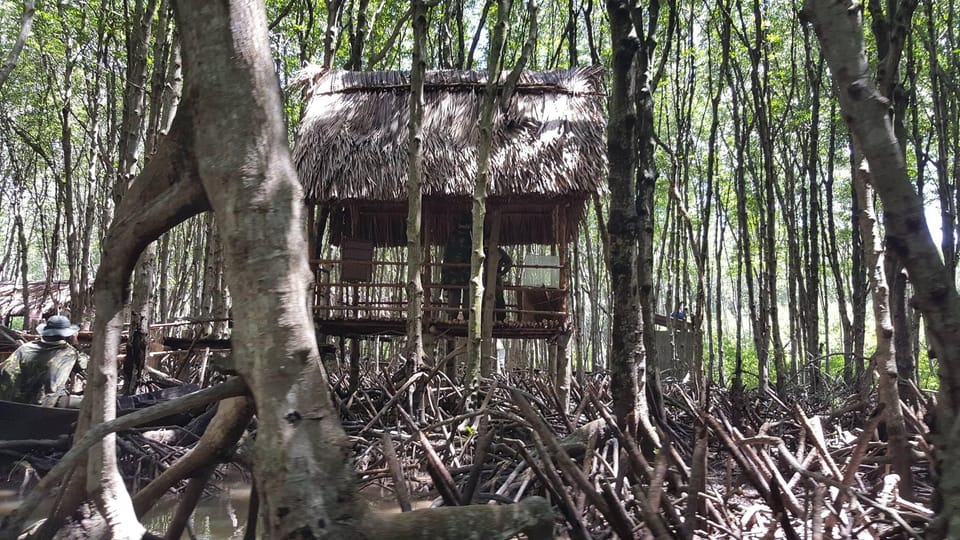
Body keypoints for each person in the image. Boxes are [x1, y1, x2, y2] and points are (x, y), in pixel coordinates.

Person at [0, 315, 87, 407]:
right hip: (49, 405)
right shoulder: (70, 353)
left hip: (18, 403)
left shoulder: (25, 348)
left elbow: (5, 371)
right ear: (67, 335)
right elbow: (83, 366)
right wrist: (76, 344)